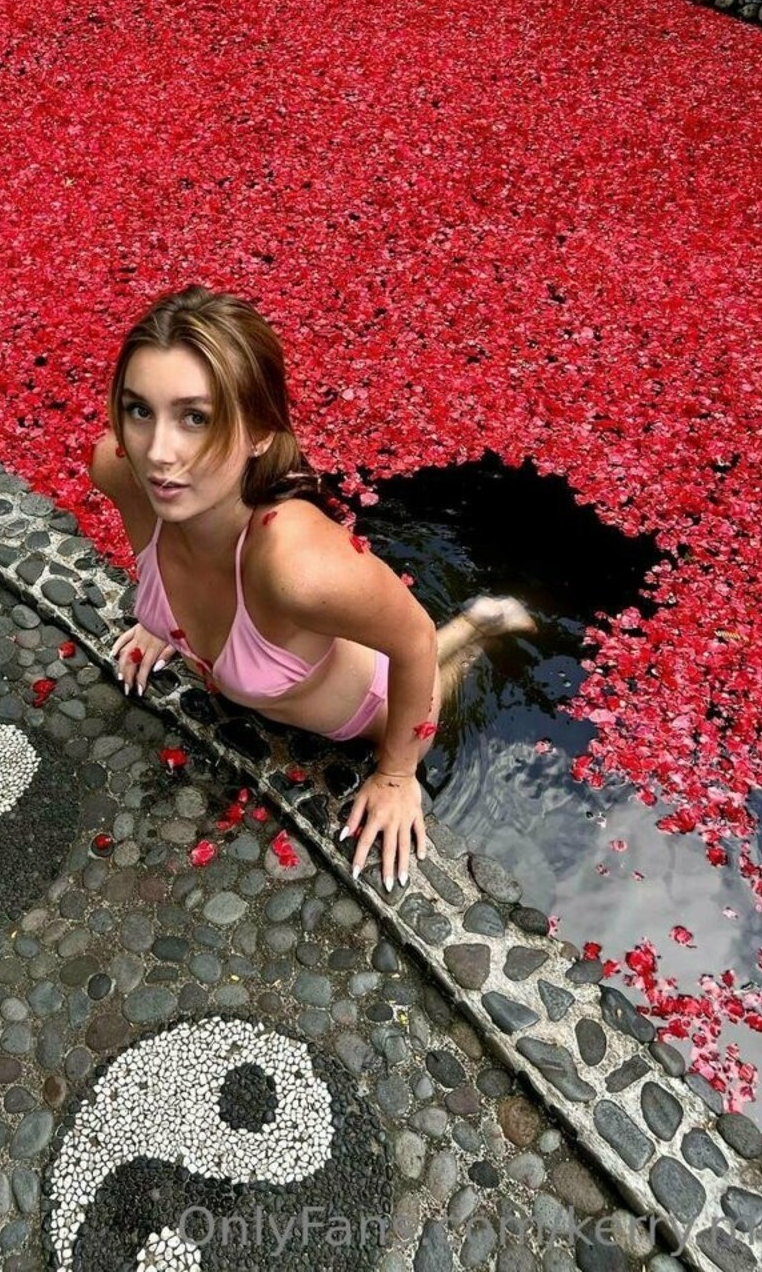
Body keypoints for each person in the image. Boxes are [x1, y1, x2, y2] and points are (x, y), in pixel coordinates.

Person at [91, 285, 535, 890]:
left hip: (373, 706)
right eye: (140, 410)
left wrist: (397, 775)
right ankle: (480, 621)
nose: (157, 453)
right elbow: (161, 562)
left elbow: (410, 642)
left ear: (261, 431)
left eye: (196, 418)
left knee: (439, 661)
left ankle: (480, 628)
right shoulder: (120, 470)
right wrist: (163, 620)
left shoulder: (296, 566)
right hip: (294, 670)